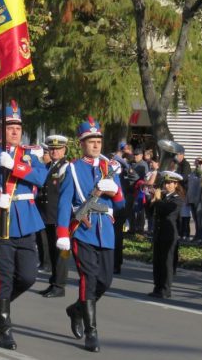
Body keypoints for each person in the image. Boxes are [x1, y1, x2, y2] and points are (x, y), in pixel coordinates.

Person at [0, 101, 46, 350]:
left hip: (26, 222)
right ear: (0, 129)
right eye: (9, 126)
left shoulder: (32, 153)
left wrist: (14, 166)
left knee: (27, 276)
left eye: (17, 126)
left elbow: (41, 177)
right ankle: (4, 327)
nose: (14, 131)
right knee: (3, 276)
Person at [57, 116, 125, 352]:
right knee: (89, 278)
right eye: (90, 141)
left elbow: (121, 202)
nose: (96, 145)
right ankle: (91, 331)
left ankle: (76, 309)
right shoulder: (73, 168)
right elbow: (65, 202)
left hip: (105, 230)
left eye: (98, 140)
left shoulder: (109, 167)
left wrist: (115, 190)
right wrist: (63, 232)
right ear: (82, 142)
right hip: (83, 231)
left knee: (105, 280)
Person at [37, 135, 70, 297]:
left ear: (64, 150)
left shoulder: (66, 167)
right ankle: (53, 282)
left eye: (58, 149)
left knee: (61, 254)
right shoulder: (50, 166)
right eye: (52, 149)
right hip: (48, 216)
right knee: (51, 250)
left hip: (59, 216)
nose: (54, 151)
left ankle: (60, 285)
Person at [148, 171, 184, 299]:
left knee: (167, 263)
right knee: (157, 262)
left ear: (175, 184)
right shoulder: (163, 197)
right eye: (166, 183)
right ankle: (157, 287)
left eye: (170, 183)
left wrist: (157, 199)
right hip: (159, 233)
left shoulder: (177, 199)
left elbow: (166, 210)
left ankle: (165, 290)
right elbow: (151, 212)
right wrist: (152, 200)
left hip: (169, 235)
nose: (167, 185)